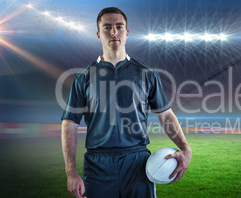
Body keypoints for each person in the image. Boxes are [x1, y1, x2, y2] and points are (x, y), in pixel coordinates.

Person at [61, 7, 192, 198]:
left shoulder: (146, 73)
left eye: (119, 26)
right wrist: (70, 172)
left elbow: (165, 115)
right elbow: (69, 124)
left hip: (137, 163)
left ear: (127, 32)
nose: (113, 32)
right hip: (98, 165)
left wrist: (186, 148)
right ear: (98, 35)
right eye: (107, 27)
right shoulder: (84, 77)